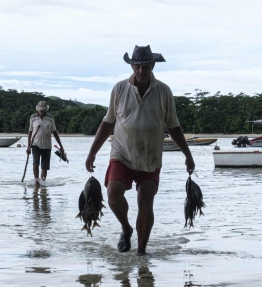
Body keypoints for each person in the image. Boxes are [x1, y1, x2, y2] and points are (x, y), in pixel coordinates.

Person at [85, 45, 194, 254]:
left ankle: (141, 253)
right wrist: (92, 152)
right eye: (137, 67)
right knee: (113, 193)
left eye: (145, 67)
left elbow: (173, 126)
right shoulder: (119, 89)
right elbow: (108, 122)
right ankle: (126, 229)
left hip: (150, 156)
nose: (141, 71)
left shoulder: (163, 91)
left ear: (153, 65)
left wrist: (187, 155)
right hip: (122, 152)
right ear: (132, 66)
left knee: (145, 200)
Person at [27, 101, 65, 187]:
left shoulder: (50, 118)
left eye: (43, 110)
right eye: (40, 110)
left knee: (45, 166)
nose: (41, 111)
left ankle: (43, 183)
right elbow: (30, 132)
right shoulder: (33, 117)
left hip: (47, 145)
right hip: (35, 144)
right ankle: (37, 182)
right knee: (35, 163)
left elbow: (55, 132)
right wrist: (28, 146)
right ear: (38, 109)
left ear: (45, 110)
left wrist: (61, 146)